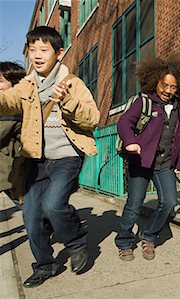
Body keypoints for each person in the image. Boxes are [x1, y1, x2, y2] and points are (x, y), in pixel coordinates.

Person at [0, 26, 100, 287]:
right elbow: (8, 100)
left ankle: (77, 242)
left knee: (54, 205)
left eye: (43, 50)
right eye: (32, 50)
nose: (37, 55)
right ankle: (45, 265)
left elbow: (93, 118)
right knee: (32, 217)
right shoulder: (27, 85)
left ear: (59, 52)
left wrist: (67, 102)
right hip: (35, 159)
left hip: (66, 157)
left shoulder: (73, 83)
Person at [115, 56, 180, 262]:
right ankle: (124, 241)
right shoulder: (143, 101)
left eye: (173, 87)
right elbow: (124, 123)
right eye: (164, 85)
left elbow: (178, 136)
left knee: (168, 203)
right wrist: (130, 141)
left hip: (164, 164)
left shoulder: (178, 106)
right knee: (134, 205)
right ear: (155, 82)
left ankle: (149, 236)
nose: (168, 91)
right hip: (140, 161)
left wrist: (178, 162)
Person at [0, 62, 26, 203]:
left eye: (1, 81)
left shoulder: (12, 108)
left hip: (12, 168)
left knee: (30, 209)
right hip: (8, 168)